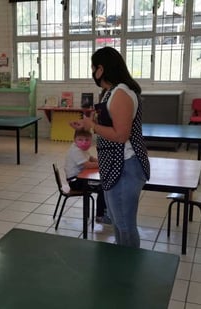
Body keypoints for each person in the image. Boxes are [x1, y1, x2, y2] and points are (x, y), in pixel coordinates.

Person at [70, 46, 150, 248]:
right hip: (113, 164)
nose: (92, 72)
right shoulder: (109, 92)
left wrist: (93, 126)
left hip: (125, 166)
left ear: (101, 69)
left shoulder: (121, 93)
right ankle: (123, 263)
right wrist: (87, 126)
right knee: (118, 221)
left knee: (124, 225)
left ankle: (130, 265)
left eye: (93, 67)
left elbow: (121, 136)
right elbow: (109, 125)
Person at [64, 128, 111, 224]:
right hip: (75, 182)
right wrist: (103, 165)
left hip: (81, 178)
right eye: (80, 139)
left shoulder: (82, 149)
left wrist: (101, 161)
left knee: (105, 184)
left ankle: (106, 212)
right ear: (74, 140)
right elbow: (88, 165)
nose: (84, 142)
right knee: (103, 187)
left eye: (87, 140)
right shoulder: (76, 151)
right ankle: (101, 216)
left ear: (91, 140)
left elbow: (91, 158)